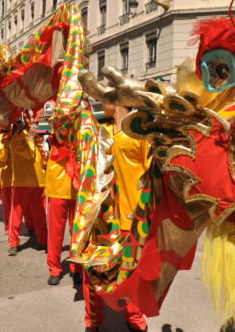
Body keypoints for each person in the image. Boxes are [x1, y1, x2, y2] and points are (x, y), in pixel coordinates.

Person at [83, 104, 151, 332]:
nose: (102, 101)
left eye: (107, 95)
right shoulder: (101, 132)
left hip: (132, 219)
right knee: (92, 272)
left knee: (133, 277)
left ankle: (135, 321)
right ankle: (92, 321)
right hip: (102, 218)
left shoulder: (141, 132)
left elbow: (152, 176)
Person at [45, 135, 82, 286]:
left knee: (77, 231)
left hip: (78, 187)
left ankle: (76, 267)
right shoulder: (55, 133)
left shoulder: (83, 133)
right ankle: (54, 269)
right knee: (55, 232)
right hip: (57, 188)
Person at [7, 121, 47, 256]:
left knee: (40, 214)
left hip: (39, 182)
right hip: (22, 181)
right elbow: (29, 154)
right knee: (16, 214)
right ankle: (13, 243)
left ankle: (43, 240)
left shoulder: (35, 137)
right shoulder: (17, 137)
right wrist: (30, 137)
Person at [0, 131, 14, 234]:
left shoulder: (22, 135)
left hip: (21, 178)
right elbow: (2, 160)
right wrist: (6, 147)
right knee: (8, 205)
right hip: (7, 179)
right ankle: (8, 227)